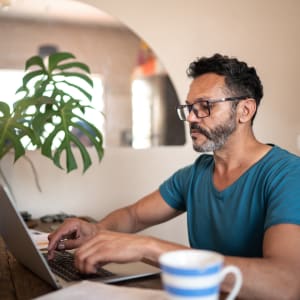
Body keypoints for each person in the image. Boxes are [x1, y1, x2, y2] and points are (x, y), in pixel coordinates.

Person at [48, 54, 300, 299]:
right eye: (189, 107)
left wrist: (149, 247)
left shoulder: (287, 175)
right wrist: (95, 229)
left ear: (244, 110)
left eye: (204, 106)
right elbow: (133, 216)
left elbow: (286, 284)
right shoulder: (196, 174)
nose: (190, 117)